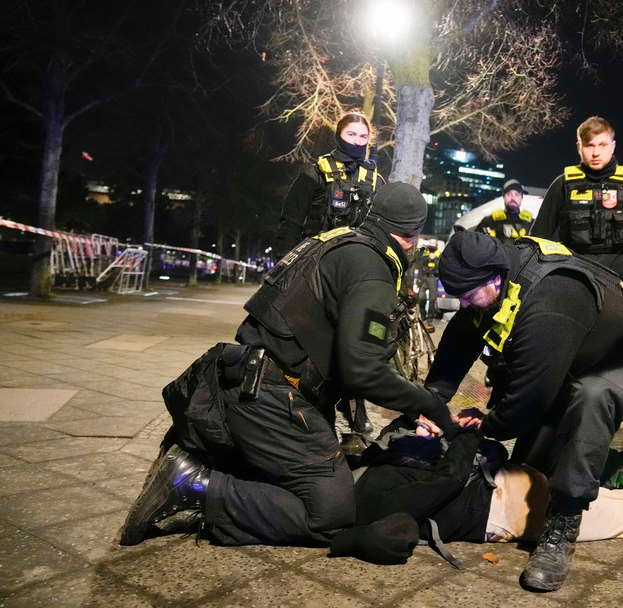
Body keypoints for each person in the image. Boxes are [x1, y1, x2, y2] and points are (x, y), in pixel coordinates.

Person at [120, 183, 456, 548]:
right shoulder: (372, 268)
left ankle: (210, 459)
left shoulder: (334, 240)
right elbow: (364, 369)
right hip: (273, 396)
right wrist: (429, 405)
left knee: (321, 465)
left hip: (240, 379)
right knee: (332, 513)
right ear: (412, 236)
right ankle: (195, 485)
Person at [423, 230, 623, 591]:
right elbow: (461, 337)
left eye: (467, 295)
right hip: (578, 360)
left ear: (495, 277)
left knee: (592, 396)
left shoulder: (550, 298)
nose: (462, 304)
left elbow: (527, 404)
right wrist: (429, 405)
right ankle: (619, 466)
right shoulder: (490, 280)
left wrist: (485, 423)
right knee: (533, 474)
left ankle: (563, 525)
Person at [333, 420, 623, 565]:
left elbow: (445, 483)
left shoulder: (370, 494)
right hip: (508, 483)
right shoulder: (380, 465)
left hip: (508, 510)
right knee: (619, 502)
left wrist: (465, 432)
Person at [273, 111, 386, 436]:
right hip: (315, 270)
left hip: (356, 272)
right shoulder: (315, 173)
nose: (357, 142)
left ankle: (354, 401)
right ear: (339, 136)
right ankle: (316, 407)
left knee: (359, 337)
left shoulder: (375, 179)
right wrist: (285, 267)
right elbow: (291, 222)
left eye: (363, 138)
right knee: (316, 340)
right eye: (352, 136)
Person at [531, 116, 623, 283]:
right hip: (571, 281)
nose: (596, 153)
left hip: (620, 282)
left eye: (602, 145)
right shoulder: (563, 184)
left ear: (613, 146)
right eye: (589, 146)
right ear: (579, 147)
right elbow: (538, 237)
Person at [476, 179, 534, 243]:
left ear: (521, 198)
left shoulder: (532, 223)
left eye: (517, 195)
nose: (513, 198)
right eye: (509, 194)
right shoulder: (490, 221)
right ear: (503, 197)